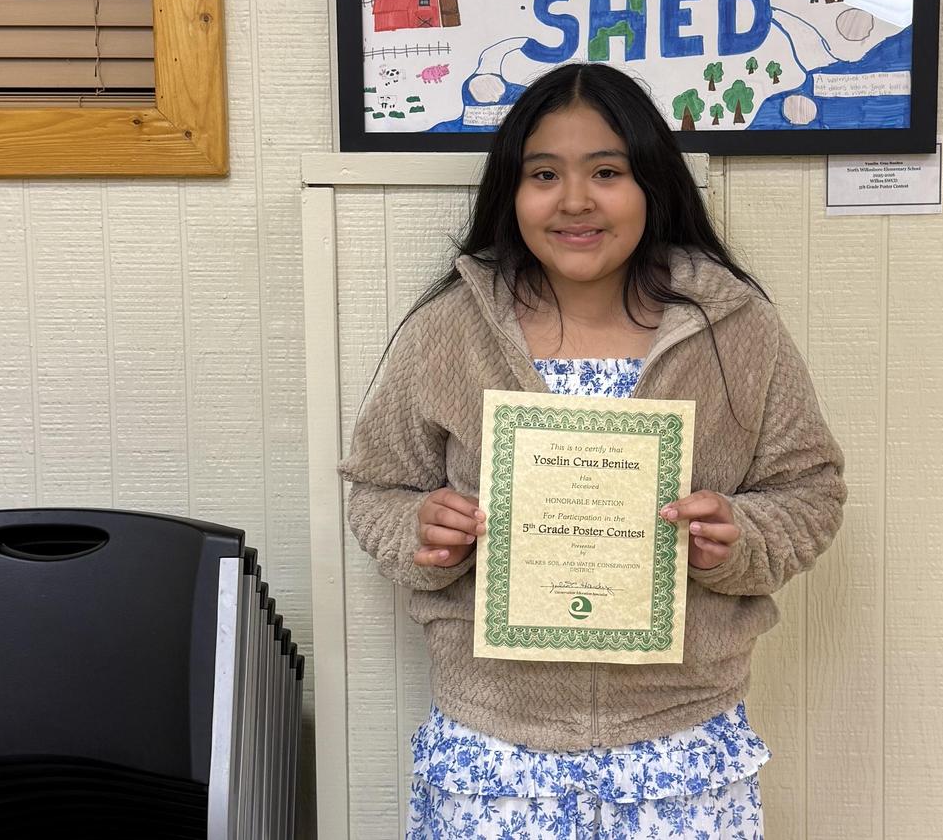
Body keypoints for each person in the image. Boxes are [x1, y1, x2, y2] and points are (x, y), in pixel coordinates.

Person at [340, 62, 846, 839]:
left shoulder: (735, 328)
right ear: (510, 191)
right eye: (544, 173)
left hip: (679, 745)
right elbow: (377, 487)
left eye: (606, 171)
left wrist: (737, 540)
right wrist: (422, 532)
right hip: (494, 749)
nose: (575, 199)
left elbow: (808, 488)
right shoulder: (451, 329)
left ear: (653, 184)